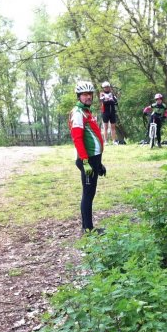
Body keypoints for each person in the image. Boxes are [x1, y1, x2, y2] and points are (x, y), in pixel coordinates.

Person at [69, 80, 106, 233]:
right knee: (88, 194)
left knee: (90, 193)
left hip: (93, 159)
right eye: (84, 94)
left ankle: (88, 228)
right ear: (79, 96)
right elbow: (77, 138)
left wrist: (99, 164)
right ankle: (88, 230)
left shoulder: (86, 112)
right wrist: (86, 162)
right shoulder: (78, 113)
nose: (88, 97)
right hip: (87, 160)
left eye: (90, 94)